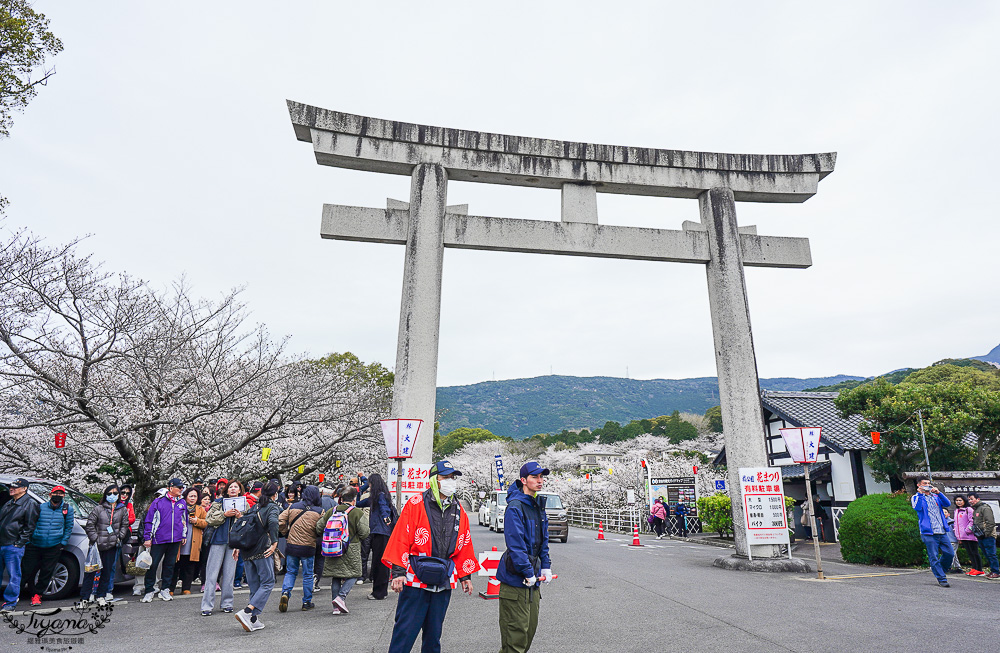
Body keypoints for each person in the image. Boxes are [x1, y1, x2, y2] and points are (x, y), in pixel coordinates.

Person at [383, 460, 479, 653]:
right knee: (405, 632)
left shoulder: (459, 509)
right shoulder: (416, 503)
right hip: (414, 579)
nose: (450, 481)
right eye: (446, 477)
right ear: (435, 480)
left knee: (434, 636)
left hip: (443, 579)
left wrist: (465, 576)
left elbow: (464, 542)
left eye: (453, 478)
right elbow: (402, 536)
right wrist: (399, 572)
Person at [496, 462, 553, 653]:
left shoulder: (538, 506)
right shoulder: (515, 507)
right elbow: (515, 545)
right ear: (523, 480)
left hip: (533, 582)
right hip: (516, 580)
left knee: (528, 635)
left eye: (542, 477)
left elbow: (544, 541)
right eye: (535, 477)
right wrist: (528, 572)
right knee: (515, 641)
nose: (540, 481)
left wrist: (546, 566)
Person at [235, 481, 280, 633]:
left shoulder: (255, 506)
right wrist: (274, 543)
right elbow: (273, 522)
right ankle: (247, 612)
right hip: (262, 548)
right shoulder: (272, 507)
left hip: (247, 550)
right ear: (275, 494)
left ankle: (253, 620)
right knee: (267, 582)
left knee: (255, 586)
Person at [316, 487, 369, 614]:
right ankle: (341, 597)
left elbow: (319, 527)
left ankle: (336, 607)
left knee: (336, 575)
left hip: (333, 547)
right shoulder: (357, 512)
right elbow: (365, 532)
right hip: (351, 547)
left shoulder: (331, 511)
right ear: (354, 499)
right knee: (355, 574)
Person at [21, 485, 74, 606]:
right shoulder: (40, 507)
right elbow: (31, 523)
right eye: (56, 493)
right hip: (35, 543)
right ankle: (15, 594)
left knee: (47, 571)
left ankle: (37, 595)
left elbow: (68, 527)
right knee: (26, 569)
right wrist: (29, 540)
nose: (58, 496)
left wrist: (63, 542)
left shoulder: (68, 509)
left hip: (54, 545)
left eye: (61, 494)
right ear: (50, 494)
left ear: (63, 496)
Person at [142, 478, 189, 602]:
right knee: (153, 565)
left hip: (175, 539)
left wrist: (184, 535)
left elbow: (184, 520)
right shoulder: (158, 502)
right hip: (159, 538)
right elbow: (150, 520)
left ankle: (165, 589)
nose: (181, 490)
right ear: (170, 487)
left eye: (182, 487)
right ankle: (149, 590)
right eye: (179, 487)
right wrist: (148, 537)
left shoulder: (182, 502)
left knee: (170, 565)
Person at [278, 485, 323, 612]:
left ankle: (285, 593)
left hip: (292, 545)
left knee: (291, 572)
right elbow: (321, 528)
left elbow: (280, 520)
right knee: (308, 574)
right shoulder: (319, 511)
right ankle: (306, 602)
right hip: (308, 547)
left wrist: (286, 533)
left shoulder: (293, 506)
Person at [201, 480, 243, 616]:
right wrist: (224, 515)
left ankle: (227, 603)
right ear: (226, 489)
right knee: (212, 574)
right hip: (218, 540)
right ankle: (207, 605)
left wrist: (239, 517)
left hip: (234, 542)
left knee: (229, 575)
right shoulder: (218, 503)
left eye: (235, 487)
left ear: (240, 490)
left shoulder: (244, 504)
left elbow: (248, 522)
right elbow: (209, 519)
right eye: (230, 487)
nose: (232, 489)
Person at [83, 484, 129, 603]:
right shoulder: (99, 508)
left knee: (107, 571)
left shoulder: (122, 509)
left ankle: (101, 595)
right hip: (97, 545)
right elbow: (90, 525)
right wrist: (95, 539)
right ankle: (85, 596)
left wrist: (119, 537)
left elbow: (125, 525)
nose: (112, 496)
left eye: (115, 493)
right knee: (91, 571)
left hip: (112, 545)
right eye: (109, 493)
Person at [0, 478, 40, 611]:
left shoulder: (30, 503)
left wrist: (19, 543)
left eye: (16, 487)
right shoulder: (10, 502)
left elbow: (30, 526)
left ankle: (10, 602)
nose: (12, 489)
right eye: (11, 487)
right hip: (3, 542)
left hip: (13, 545)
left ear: (24, 489)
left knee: (14, 575)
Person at [357, 473, 396, 600]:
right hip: (378, 532)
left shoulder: (380, 496)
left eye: (370, 483)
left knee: (380, 563)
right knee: (378, 563)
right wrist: (362, 485)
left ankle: (379, 592)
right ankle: (379, 591)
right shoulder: (374, 497)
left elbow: (384, 508)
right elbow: (358, 503)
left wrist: (386, 517)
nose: (369, 486)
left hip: (381, 533)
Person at [910, 477, 954, 587]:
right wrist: (920, 494)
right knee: (933, 555)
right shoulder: (915, 497)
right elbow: (917, 508)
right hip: (928, 532)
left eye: (929, 483)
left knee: (950, 553)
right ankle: (941, 578)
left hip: (941, 530)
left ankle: (940, 569)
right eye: (925, 483)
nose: (928, 485)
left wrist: (939, 493)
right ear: (919, 485)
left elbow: (947, 503)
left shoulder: (935, 497)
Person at [169, 487, 206, 595]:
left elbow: (207, 522)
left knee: (190, 566)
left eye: (195, 496)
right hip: (179, 540)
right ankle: (170, 588)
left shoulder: (200, 509)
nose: (193, 498)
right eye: (190, 496)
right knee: (175, 566)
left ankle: (186, 588)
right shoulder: (179, 507)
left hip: (193, 542)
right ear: (185, 496)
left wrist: (197, 521)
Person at [968, 492, 999, 579]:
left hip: (987, 536)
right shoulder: (976, 509)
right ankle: (992, 571)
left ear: (978, 499)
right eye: (969, 499)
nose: (970, 501)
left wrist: (986, 533)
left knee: (991, 554)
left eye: (972, 499)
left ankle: (996, 571)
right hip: (980, 535)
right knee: (986, 554)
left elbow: (990, 522)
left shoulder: (985, 508)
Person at [952, 495, 983, 576]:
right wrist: (957, 534)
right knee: (969, 553)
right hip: (962, 536)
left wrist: (967, 530)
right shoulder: (956, 511)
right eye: (957, 500)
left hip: (970, 535)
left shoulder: (968, 509)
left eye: (960, 500)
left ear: (964, 501)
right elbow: (956, 524)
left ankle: (979, 569)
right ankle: (974, 568)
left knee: (974, 552)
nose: (958, 502)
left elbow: (972, 521)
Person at [197, 492, 213, 590]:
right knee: (203, 560)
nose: (207, 501)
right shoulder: (197, 509)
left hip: (209, 537)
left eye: (208, 499)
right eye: (205, 499)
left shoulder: (211, 509)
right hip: (199, 537)